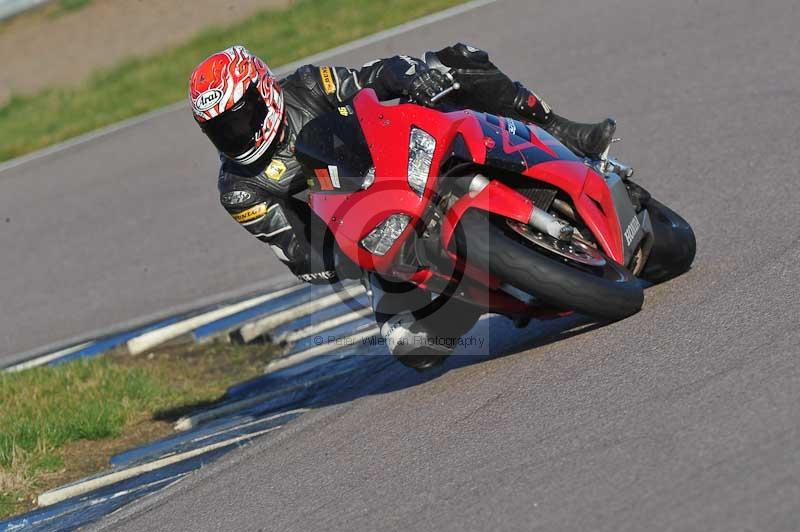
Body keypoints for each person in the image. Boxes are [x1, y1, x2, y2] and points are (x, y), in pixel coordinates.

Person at [188, 43, 615, 370]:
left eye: (240, 119)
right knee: (415, 350)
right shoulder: (240, 190)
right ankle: (469, 295)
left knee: (456, 61)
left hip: (403, 163)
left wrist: (410, 77)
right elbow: (301, 255)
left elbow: (374, 76)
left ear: (265, 90)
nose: (235, 135)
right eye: (220, 131)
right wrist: (353, 250)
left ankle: (560, 132)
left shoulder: (307, 86)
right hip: (372, 240)